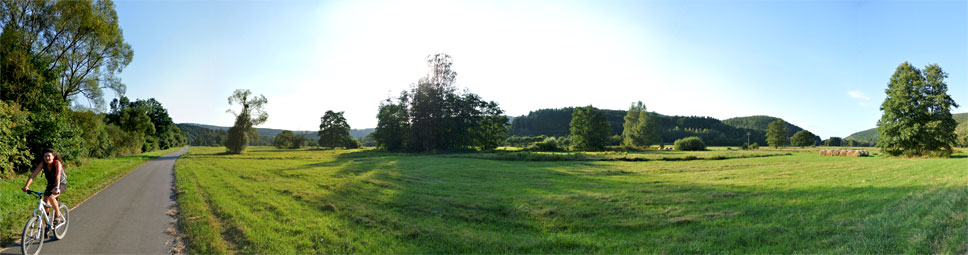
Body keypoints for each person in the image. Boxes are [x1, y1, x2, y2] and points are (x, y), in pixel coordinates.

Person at [22, 149, 67, 225]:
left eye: (49, 156)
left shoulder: (57, 163)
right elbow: (33, 175)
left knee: (52, 197)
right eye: (45, 156)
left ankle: (58, 215)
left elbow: (58, 176)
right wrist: (26, 186)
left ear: (53, 156)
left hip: (60, 183)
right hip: (50, 184)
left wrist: (57, 188)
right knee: (45, 204)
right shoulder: (43, 164)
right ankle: (48, 224)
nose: (47, 158)